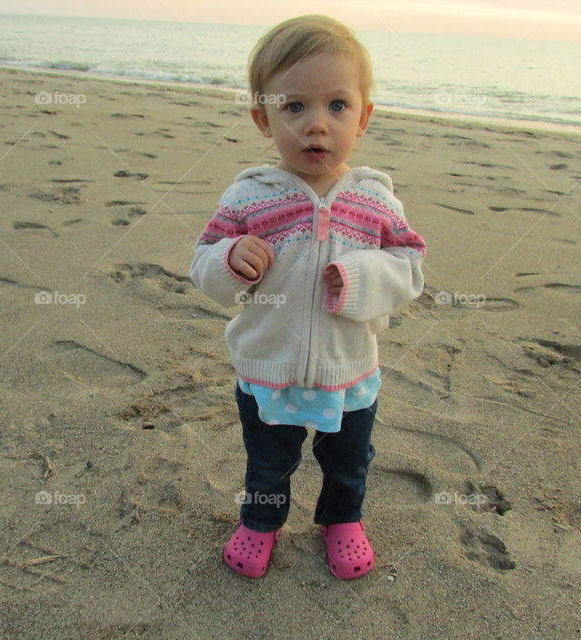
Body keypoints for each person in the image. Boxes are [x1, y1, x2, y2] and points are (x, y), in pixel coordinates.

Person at [189, 14, 427, 580]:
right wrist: (229, 260)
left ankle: (342, 520)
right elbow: (203, 263)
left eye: (337, 106)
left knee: (348, 461)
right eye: (294, 107)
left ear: (364, 117)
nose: (316, 125)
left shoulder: (376, 201)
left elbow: (410, 267)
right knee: (268, 461)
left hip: (349, 370)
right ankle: (261, 522)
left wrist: (365, 277)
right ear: (263, 119)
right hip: (268, 365)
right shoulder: (251, 195)